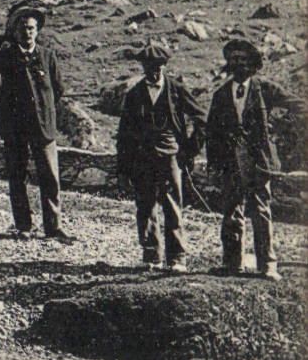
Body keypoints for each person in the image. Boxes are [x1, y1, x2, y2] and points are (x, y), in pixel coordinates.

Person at [0, 0, 75, 244]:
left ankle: (54, 226)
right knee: (18, 176)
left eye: (31, 28)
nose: (27, 33)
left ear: (37, 30)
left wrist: (44, 107)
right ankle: (24, 225)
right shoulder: (6, 55)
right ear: (15, 31)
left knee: (50, 176)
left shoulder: (47, 56)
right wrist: (6, 99)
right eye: (22, 29)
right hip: (15, 127)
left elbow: (58, 89)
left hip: (43, 126)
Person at [205, 34, 293, 281]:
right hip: (231, 161)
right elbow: (211, 131)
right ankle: (232, 263)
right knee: (232, 210)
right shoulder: (221, 94)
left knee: (261, 210)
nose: (238, 64)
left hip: (258, 161)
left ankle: (267, 265)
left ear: (253, 64)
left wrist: (281, 133)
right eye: (233, 59)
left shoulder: (265, 89)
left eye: (243, 60)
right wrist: (214, 163)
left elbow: (297, 106)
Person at [116, 39, 206, 273]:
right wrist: (123, 169)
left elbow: (201, 119)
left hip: (170, 157)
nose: (153, 71)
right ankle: (151, 256)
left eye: (158, 66)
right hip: (142, 159)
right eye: (148, 66)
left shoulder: (176, 90)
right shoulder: (134, 94)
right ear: (142, 67)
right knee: (145, 206)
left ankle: (177, 258)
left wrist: (190, 149)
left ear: (164, 65)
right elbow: (124, 135)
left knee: (173, 206)